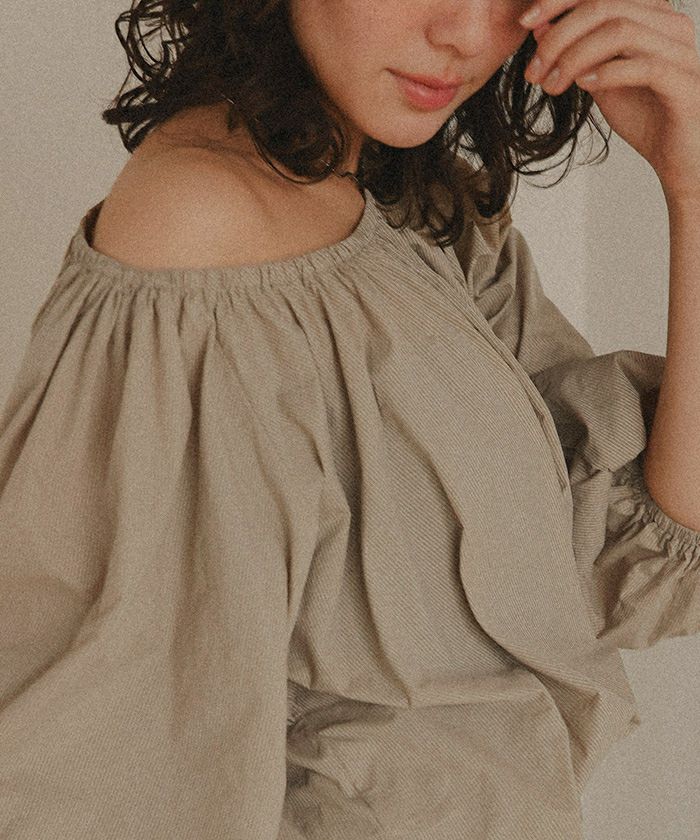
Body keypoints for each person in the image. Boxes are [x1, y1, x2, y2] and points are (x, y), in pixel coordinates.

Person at [1, 0, 699, 838]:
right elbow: (114, 767)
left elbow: (619, 559)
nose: (466, 33)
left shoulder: (412, 204)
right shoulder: (201, 233)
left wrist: (693, 188)